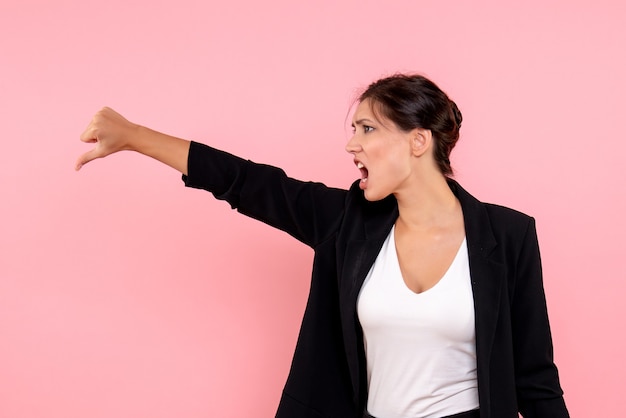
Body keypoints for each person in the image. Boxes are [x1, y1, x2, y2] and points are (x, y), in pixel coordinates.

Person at [76, 74, 569, 418]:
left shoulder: (508, 236)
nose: (351, 145)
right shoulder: (346, 222)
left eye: (367, 129)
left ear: (418, 141)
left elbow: (535, 375)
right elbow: (249, 183)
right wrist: (134, 137)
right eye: (353, 129)